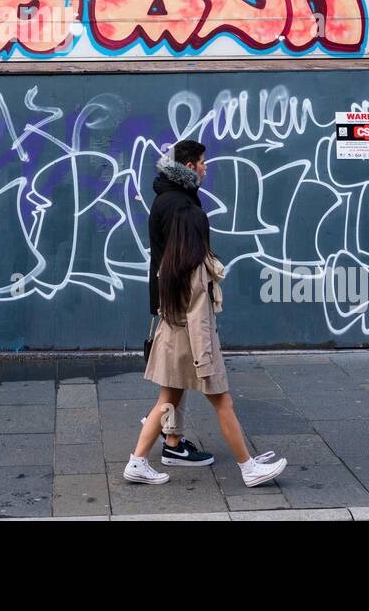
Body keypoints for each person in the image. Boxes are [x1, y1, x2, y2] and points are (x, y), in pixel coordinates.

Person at [126, 176, 288, 488]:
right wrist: (205, 362)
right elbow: (199, 319)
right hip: (194, 348)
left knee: (166, 403)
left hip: (172, 342)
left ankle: (138, 461)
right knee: (222, 403)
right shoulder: (196, 270)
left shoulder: (170, 264)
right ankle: (248, 467)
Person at [143, 140, 214, 467]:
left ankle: (171, 440)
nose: (205, 166)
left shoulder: (173, 197)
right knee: (184, 379)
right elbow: (180, 259)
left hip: (171, 298)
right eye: (202, 161)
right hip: (180, 302)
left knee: (176, 376)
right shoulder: (177, 204)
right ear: (188, 167)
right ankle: (147, 447)